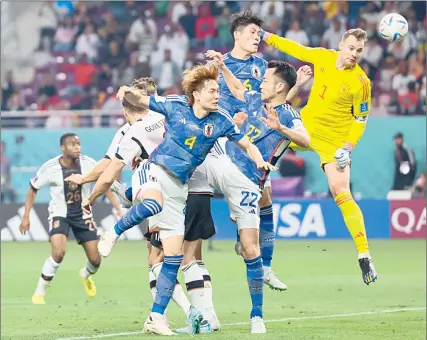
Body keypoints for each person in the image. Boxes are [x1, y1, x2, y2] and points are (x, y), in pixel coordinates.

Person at [82, 64, 274, 335]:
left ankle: (156, 317)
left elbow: (246, 144)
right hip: (154, 170)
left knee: (172, 258)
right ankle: (112, 233)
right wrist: (126, 91)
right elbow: (144, 100)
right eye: (211, 90)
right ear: (195, 93)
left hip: (180, 187)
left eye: (218, 90)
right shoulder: (174, 107)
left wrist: (260, 161)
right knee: (152, 204)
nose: (217, 95)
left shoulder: (221, 121)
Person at [64, 78, 194, 324]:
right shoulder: (160, 118)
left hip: (164, 188)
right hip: (171, 188)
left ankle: (169, 315)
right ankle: (170, 315)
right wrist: (85, 180)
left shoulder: (133, 130)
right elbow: (108, 164)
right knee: (162, 256)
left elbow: (109, 167)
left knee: (160, 258)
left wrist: (90, 192)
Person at [261, 27, 378, 285]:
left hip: (334, 143)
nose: (354, 54)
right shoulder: (324, 57)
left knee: (341, 193)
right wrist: (266, 36)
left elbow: (360, 119)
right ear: (341, 45)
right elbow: (296, 49)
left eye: (359, 50)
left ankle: (364, 254)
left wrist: (348, 147)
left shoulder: (361, 83)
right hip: (305, 130)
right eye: (351, 48)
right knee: (261, 146)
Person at [206, 51, 311, 333]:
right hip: (222, 162)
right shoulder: (256, 99)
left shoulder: (287, 115)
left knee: (250, 248)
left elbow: (306, 139)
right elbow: (239, 88)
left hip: (248, 181)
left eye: (266, 79)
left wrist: (280, 128)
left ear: (279, 87)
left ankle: (257, 316)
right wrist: (223, 66)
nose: (260, 82)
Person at [215, 10, 287, 292]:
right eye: (252, 33)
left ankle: (265, 266)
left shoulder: (261, 64)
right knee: (247, 199)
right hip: (226, 139)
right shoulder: (222, 64)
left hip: (254, 141)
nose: (257, 37)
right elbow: (214, 100)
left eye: (259, 33)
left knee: (265, 198)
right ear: (237, 35)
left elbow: (267, 101)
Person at [18, 133, 121, 304]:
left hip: (83, 214)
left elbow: (104, 182)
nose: (77, 147)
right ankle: (39, 292)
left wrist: (117, 207)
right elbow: (32, 188)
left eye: (79, 144)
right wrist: (26, 216)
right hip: (60, 214)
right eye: (72, 144)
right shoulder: (50, 167)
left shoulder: (89, 163)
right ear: (63, 148)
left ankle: (85, 274)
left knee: (96, 259)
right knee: (58, 253)